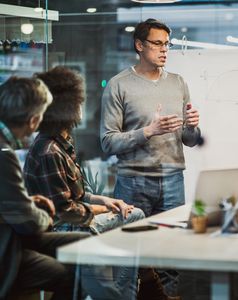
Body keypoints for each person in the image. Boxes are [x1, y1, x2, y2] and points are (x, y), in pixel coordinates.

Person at [23, 66, 173, 300]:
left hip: (74, 218)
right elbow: (66, 211)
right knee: (135, 217)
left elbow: (80, 194)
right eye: (78, 102)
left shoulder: (63, 142)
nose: (82, 107)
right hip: (63, 226)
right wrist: (107, 208)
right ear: (66, 107)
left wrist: (108, 200)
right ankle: (123, 295)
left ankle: (125, 294)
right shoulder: (48, 151)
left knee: (133, 215)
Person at [100, 18, 201, 218]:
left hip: (173, 180)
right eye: (157, 44)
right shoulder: (118, 85)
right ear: (139, 45)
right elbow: (107, 142)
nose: (164, 50)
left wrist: (191, 127)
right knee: (132, 245)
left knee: (170, 244)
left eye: (167, 44)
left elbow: (190, 141)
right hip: (133, 182)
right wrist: (148, 131)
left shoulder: (178, 82)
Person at [0, 76, 88, 299]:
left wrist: (30, 203)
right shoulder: (5, 155)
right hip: (7, 243)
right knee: (67, 272)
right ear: (33, 120)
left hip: (12, 231)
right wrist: (45, 217)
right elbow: (28, 222)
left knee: (84, 244)